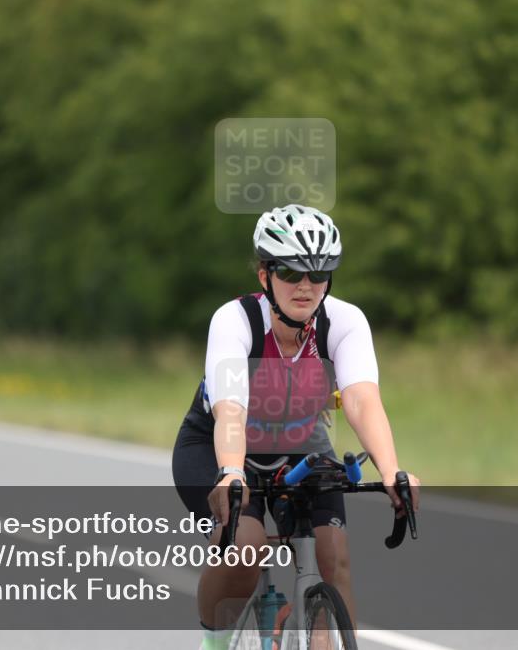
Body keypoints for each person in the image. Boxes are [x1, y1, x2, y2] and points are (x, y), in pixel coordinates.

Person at [172, 204, 421, 649]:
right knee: (246, 544)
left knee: (335, 559)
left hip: (303, 445)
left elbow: (363, 400)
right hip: (222, 446)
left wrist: (390, 471)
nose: (305, 286)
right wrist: (231, 472)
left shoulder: (344, 323)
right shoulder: (235, 320)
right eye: (290, 272)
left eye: (319, 274)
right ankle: (215, 643)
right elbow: (230, 410)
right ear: (265, 275)